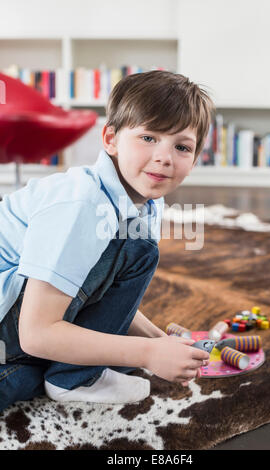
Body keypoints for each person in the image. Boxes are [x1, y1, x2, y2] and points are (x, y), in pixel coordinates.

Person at [0, 70, 214, 412]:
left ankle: (59, 372)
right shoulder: (83, 203)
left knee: (26, 379)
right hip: (16, 321)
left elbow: (101, 287)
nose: (164, 157)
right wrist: (147, 354)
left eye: (182, 146)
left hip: (18, 318)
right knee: (137, 249)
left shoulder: (144, 202)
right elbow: (35, 333)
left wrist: (159, 341)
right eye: (148, 138)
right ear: (110, 139)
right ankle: (74, 378)